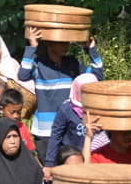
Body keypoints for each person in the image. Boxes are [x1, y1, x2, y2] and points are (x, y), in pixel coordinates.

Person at [20, 26, 104, 162]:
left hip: (68, 131)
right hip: (45, 131)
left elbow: (98, 77)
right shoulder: (39, 65)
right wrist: (32, 46)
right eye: (61, 42)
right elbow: (23, 75)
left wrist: (91, 50)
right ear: (48, 43)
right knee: (50, 172)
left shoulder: (73, 65)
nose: (66, 46)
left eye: (67, 42)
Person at [44, 74, 96, 178]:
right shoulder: (66, 110)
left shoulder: (100, 111)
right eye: (84, 93)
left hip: (94, 159)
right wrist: (49, 163)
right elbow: (55, 136)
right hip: (71, 160)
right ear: (77, 91)